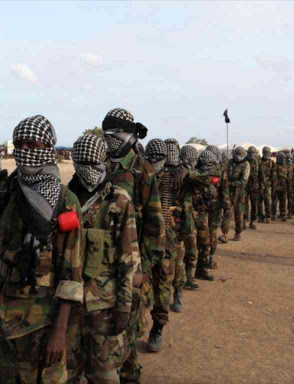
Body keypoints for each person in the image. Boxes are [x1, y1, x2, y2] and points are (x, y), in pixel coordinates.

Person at [0, 115, 84, 384]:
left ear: (48, 148)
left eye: (32, 144)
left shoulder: (65, 200)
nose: (25, 151)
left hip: (41, 319)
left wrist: (59, 332)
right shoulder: (5, 192)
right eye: (19, 144)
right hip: (1, 312)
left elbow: (71, 275)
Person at [67, 134, 138, 383]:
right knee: (66, 372)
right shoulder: (65, 200)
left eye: (94, 163)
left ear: (105, 161)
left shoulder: (117, 201)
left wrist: (124, 307)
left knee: (105, 375)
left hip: (103, 308)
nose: (88, 170)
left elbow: (128, 259)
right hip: (68, 306)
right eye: (82, 163)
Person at [102, 107, 165, 384]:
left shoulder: (142, 169)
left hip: (133, 258)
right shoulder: (99, 162)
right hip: (100, 256)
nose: (110, 140)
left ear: (128, 136)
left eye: (115, 135)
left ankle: (129, 375)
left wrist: (145, 267)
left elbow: (154, 224)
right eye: (106, 135)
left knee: (127, 325)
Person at [143, 139, 178, 350]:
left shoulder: (173, 177)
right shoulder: (142, 176)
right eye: (152, 157)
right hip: (143, 241)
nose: (155, 161)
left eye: (159, 158)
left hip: (165, 241)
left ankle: (158, 327)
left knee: (163, 285)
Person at [191, 150, 220, 281]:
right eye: (210, 164)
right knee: (189, 246)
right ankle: (186, 275)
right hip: (191, 213)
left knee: (204, 242)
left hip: (201, 213)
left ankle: (201, 270)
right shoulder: (194, 173)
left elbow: (212, 193)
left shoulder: (207, 176)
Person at [176, 144, 202, 289]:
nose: (191, 162)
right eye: (189, 159)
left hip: (190, 219)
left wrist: (189, 172)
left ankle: (190, 277)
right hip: (176, 219)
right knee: (177, 255)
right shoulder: (175, 172)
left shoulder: (194, 174)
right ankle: (178, 285)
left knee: (192, 250)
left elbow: (206, 182)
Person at [205, 145, 230, 268]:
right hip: (212, 205)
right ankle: (210, 258)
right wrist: (226, 205)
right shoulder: (220, 168)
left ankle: (205, 258)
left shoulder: (200, 166)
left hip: (204, 206)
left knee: (204, 232)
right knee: (212, 232)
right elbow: (225, 189)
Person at [220, 146, 250, 241]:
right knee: (227, 212)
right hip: (228, 191)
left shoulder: (246, 164)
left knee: (238, 213)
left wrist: (232, 183)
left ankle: (238, 233)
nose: (238, 157)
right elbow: (224, 173)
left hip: (239, 191)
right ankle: (224, 234)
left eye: (240, 155)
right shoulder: (229, 162)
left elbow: (244, 180)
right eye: (236, 154)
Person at [243, 146, 262, 230]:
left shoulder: (258, 161)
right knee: (244, 204)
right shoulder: (243, 160)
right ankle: (243, 221)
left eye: (253, 152)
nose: (251, 154)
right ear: (247, 153)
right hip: (245, 186)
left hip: (255, 186)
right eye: (250, 152)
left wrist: (262, 185)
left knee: (255, 205)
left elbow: (261, 174)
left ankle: (252, 222)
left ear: (255, 153)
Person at [258, 146, 277, 223]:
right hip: (259, 184)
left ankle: (268, 216)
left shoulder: (272, 163)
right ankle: (260, 217)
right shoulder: (259, 162)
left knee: (267, 201)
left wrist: (273, 186)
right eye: (265, 152)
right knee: (259, 202)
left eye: (268, 152)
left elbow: (274, 176)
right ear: (262, 153)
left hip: (268, 185)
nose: (266, 154)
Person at [272, 152, 289, 221]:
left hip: (284, 186)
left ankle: (283, 215)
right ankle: (273, 214)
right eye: (282, 158)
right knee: (274, 202)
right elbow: (273, 177)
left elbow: (288, 177)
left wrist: (288, 186)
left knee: (283, 201)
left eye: (284, 158)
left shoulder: (286, 166)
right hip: (276, 186)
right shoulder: (275, 166)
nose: (283, 159)